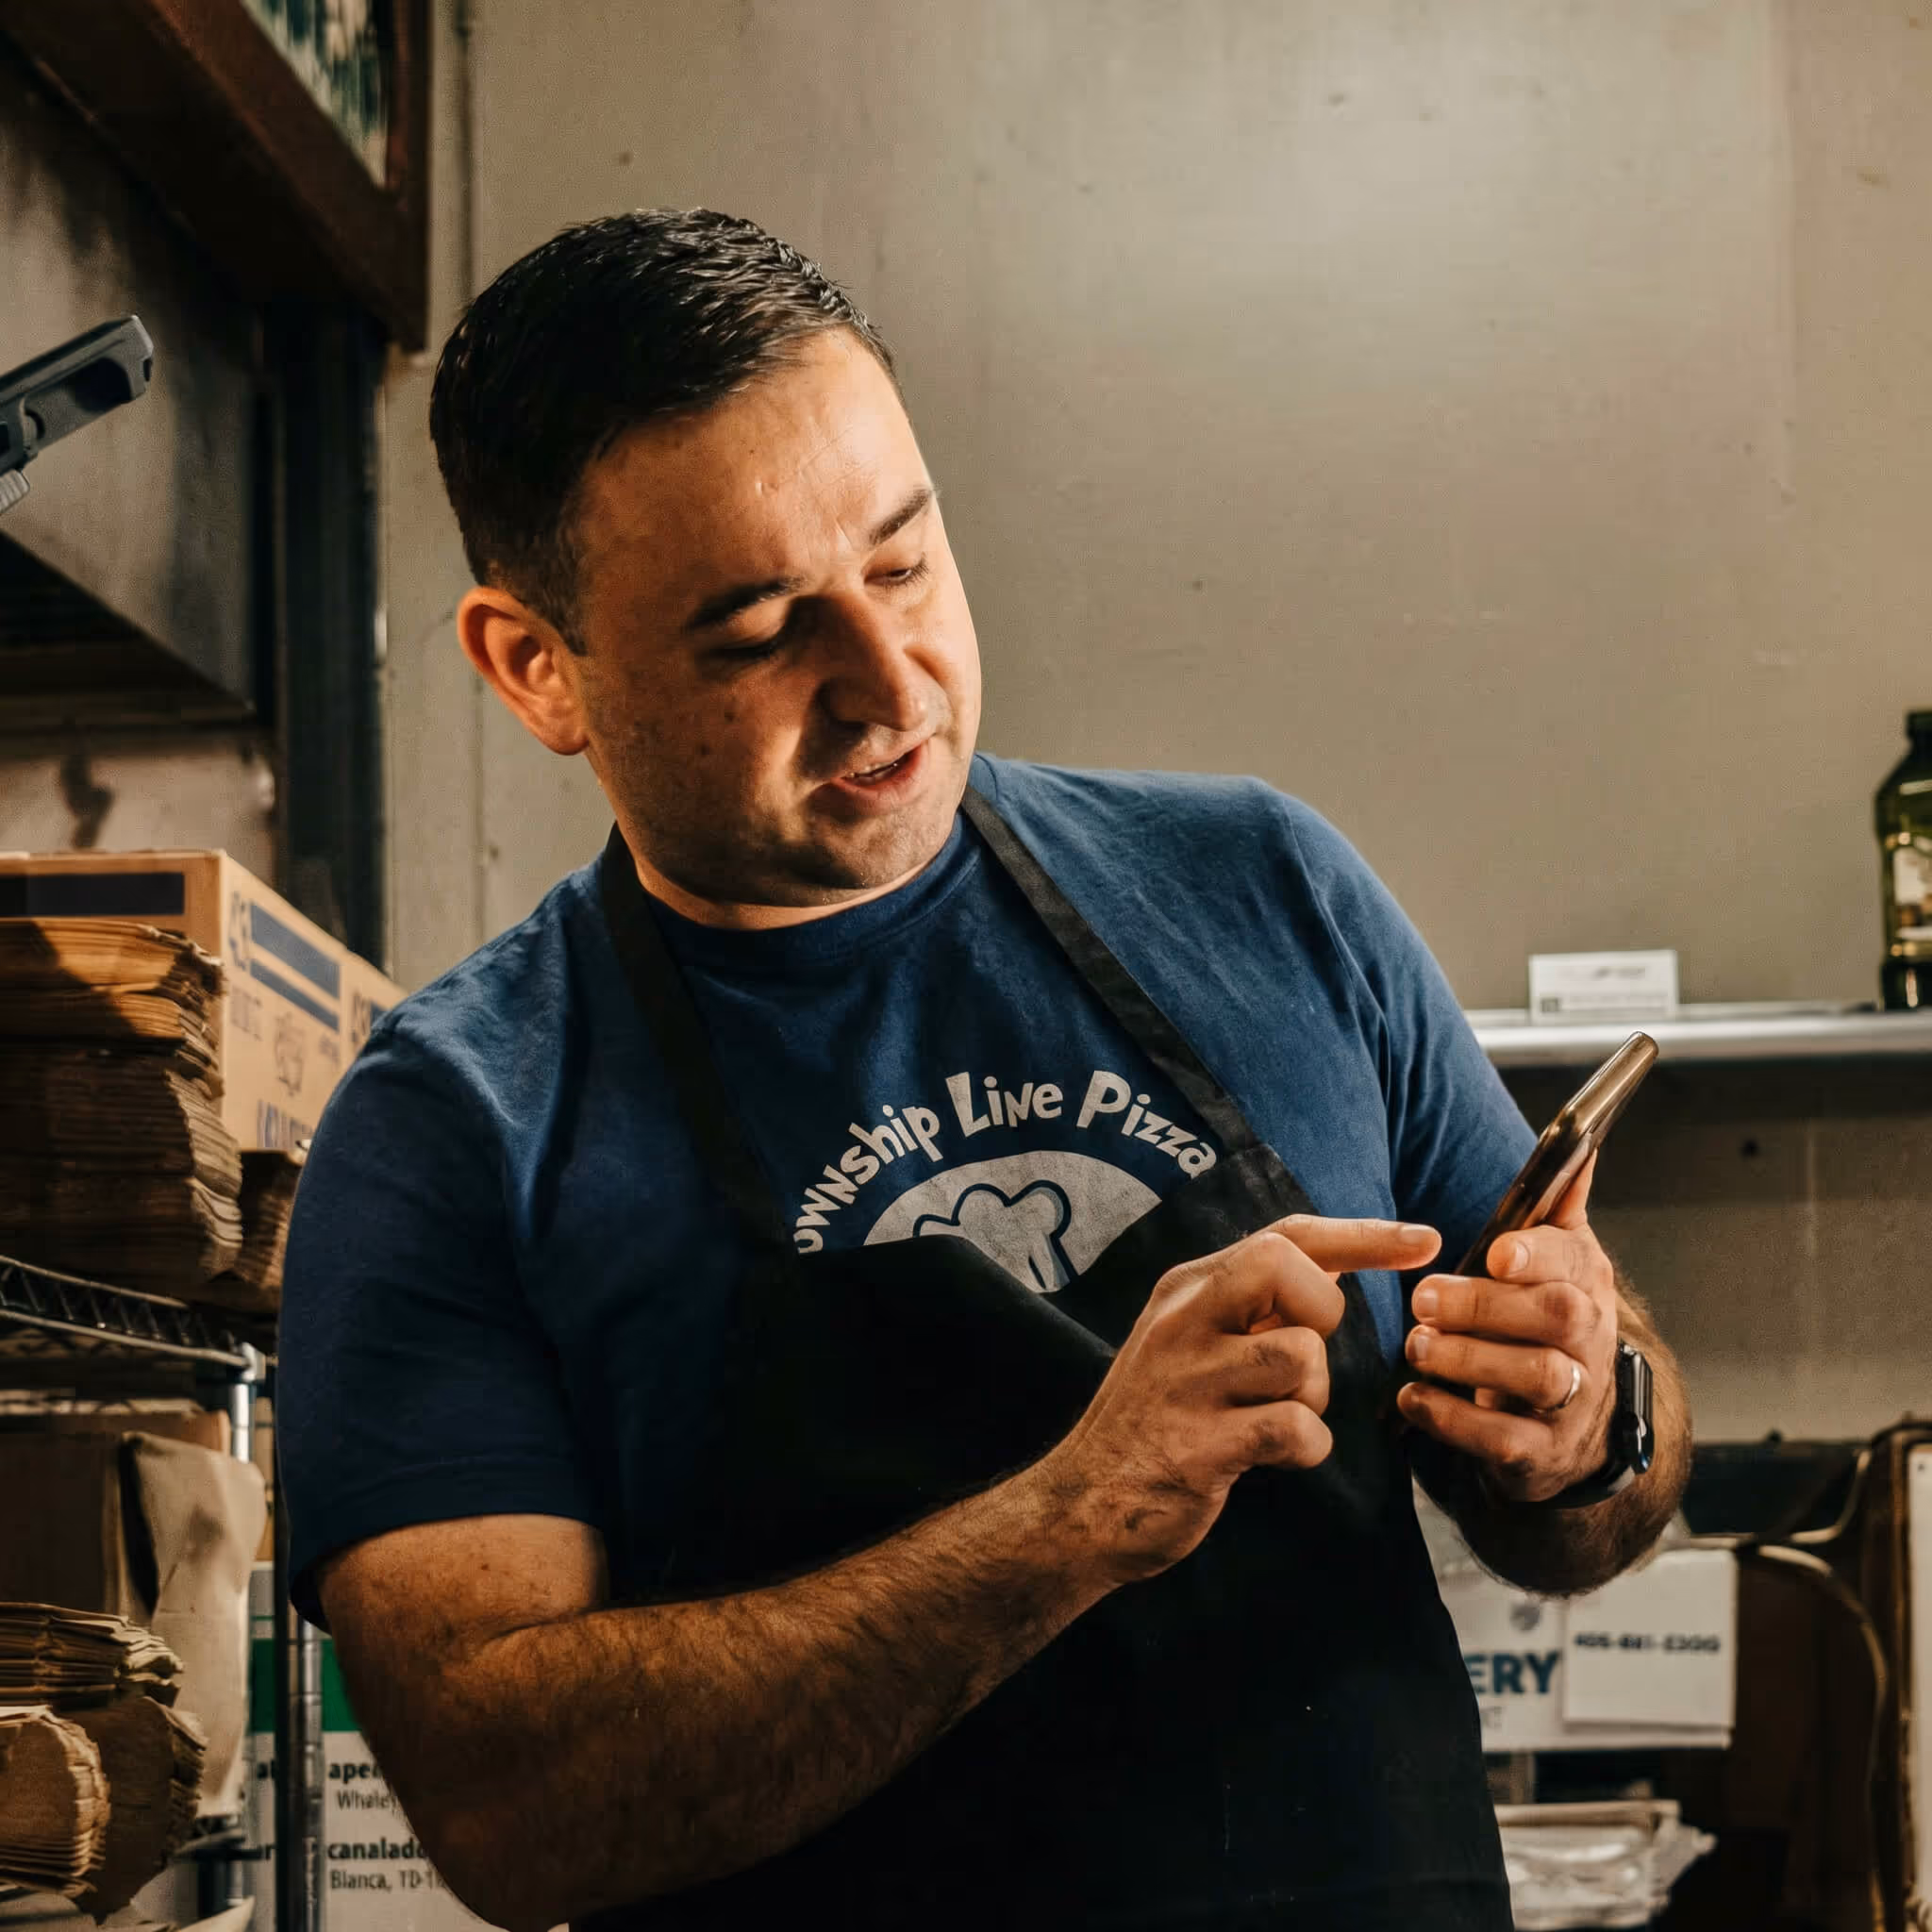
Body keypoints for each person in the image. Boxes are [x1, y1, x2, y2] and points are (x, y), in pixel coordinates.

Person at [278, 208, 1691, 1932]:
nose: (889, 685)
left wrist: (1590, 1413)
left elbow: (1595, 1507)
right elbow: (508, 1810)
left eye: (903, 561)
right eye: (757, 631)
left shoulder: (1265, 891)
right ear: (537, 669)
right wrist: (1064, 1522)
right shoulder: (455, 1122)